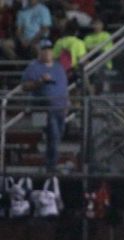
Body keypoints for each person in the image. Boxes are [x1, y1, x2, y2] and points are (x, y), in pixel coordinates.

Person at [21, 38, 68, 173]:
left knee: (58, 135)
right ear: (39, 52)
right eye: (44, 50)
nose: (47, 52)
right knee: (53, 135)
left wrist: (67, 103)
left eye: (49, 50)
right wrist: (40, 82)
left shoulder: (58, 67)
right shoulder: (33, 67)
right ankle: (51, 166)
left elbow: (63, 86)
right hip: (43, 108)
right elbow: (25, 86)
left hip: (60, 107)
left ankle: (50, 163)